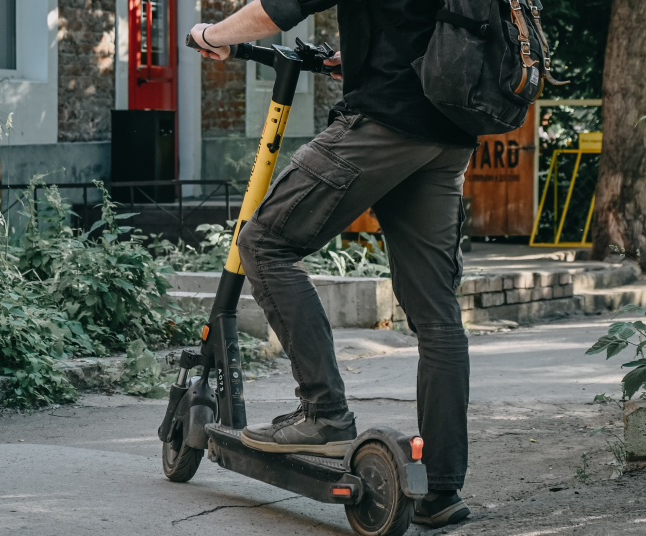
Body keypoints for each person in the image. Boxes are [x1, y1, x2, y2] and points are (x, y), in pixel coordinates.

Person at [191, 0, 476, 528]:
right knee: (437, 317)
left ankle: (323, 414)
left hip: (385, 122)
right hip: (449, 134)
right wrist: (365, 54)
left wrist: (212, 32)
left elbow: (278, 10)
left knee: (264, 243)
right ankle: (441, 487)